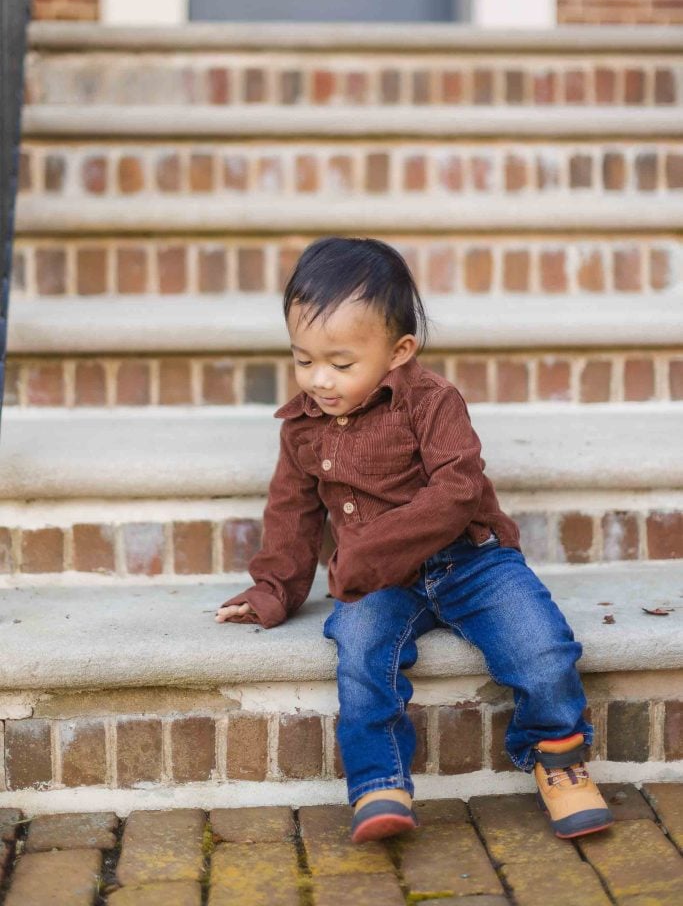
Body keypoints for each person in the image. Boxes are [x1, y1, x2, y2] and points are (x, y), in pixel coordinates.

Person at [215, 236, 613, 844]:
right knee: (360, 650)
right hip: (384, 585)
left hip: (471, 561)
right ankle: (379, 785)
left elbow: (457, 491)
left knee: (541, 647)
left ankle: (558, 757)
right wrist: (273, 589)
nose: (319, 380)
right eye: (303, 359)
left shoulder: (433, 403)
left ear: (399, 351)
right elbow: (292, 512)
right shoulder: (303, 426)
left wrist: (365, 554)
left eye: (341, 364)